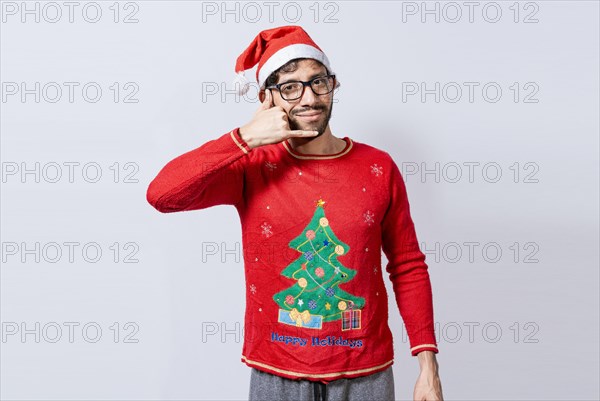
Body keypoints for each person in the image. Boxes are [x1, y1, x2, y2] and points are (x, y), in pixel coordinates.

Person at [146, 25, 444, 401]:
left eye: (317, 82)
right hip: (277, 371)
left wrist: (428, 367)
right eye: (290, 87)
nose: (308, 97)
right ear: (267, 99)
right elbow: (162, 195)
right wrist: (245, 137)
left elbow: (407, 265)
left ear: (333, 85)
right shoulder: (252, 166)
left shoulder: (379, 167)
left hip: (365, 373)